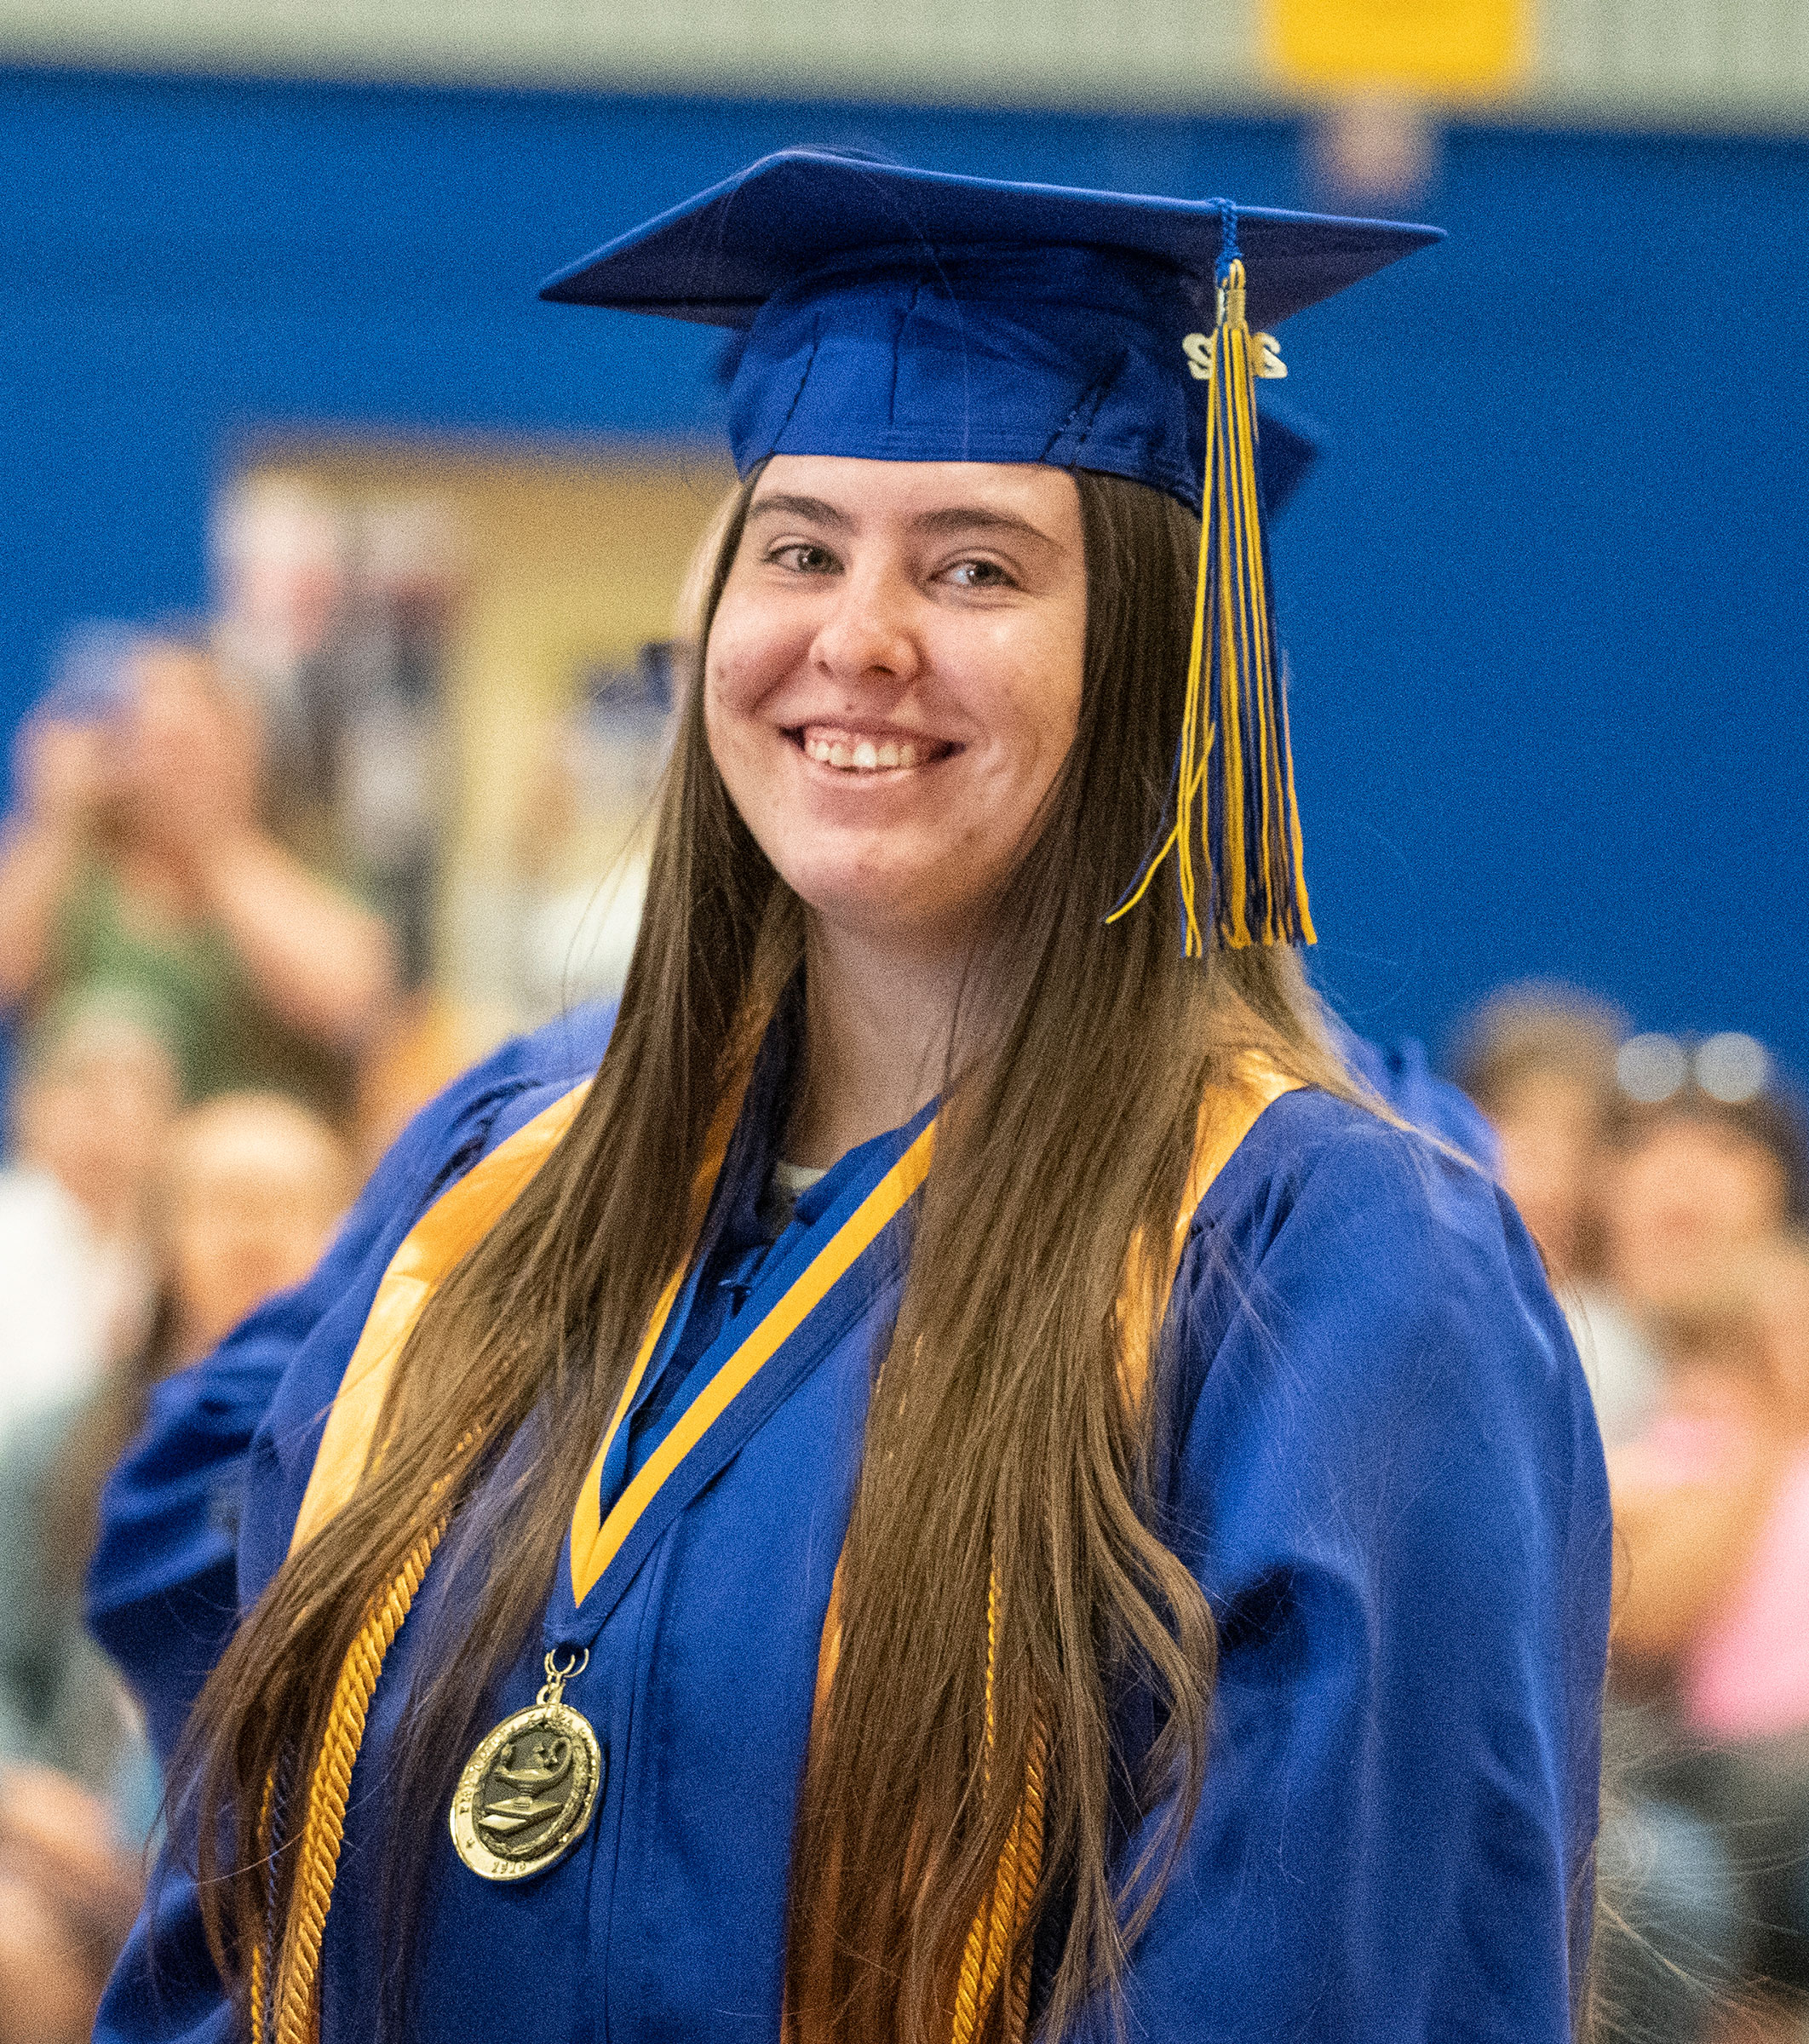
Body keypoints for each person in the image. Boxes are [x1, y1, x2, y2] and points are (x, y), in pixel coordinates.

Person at [95, 151, 1608, 2044]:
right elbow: (237, 1865)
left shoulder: (1331, 1273)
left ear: (1156, 654)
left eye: (974, 564)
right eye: (800, 546)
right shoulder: (499, 1189)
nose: (858, 636)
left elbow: (1304, 1975)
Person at [0, 630, 398, 1121]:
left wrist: (213, 842)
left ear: (249, 746)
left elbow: (350, 1000)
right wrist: (54, 820)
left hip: (250, 1165)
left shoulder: (307, 856)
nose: (166, 765)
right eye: (149, 739)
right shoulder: (72, 865)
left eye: (191, 743)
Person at [1451, 985, 1660, 1444]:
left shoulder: (1639, 1320)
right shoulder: (1439, 1300)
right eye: (1512, 1121)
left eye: (1570, 1131)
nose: (1539, 1157)